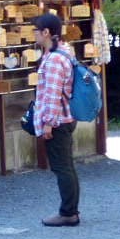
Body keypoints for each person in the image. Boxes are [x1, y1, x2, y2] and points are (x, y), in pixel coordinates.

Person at [30, 11, 80, 226]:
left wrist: (48, 123)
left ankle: (68, 212)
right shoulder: (66, 53)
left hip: (58, 121)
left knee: (62, 167)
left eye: (36, 31)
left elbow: (52, 94)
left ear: (46, 32)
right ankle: (70, 210)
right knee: (66, 165)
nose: (34, 35)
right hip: (68, 117)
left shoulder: (53, 60)